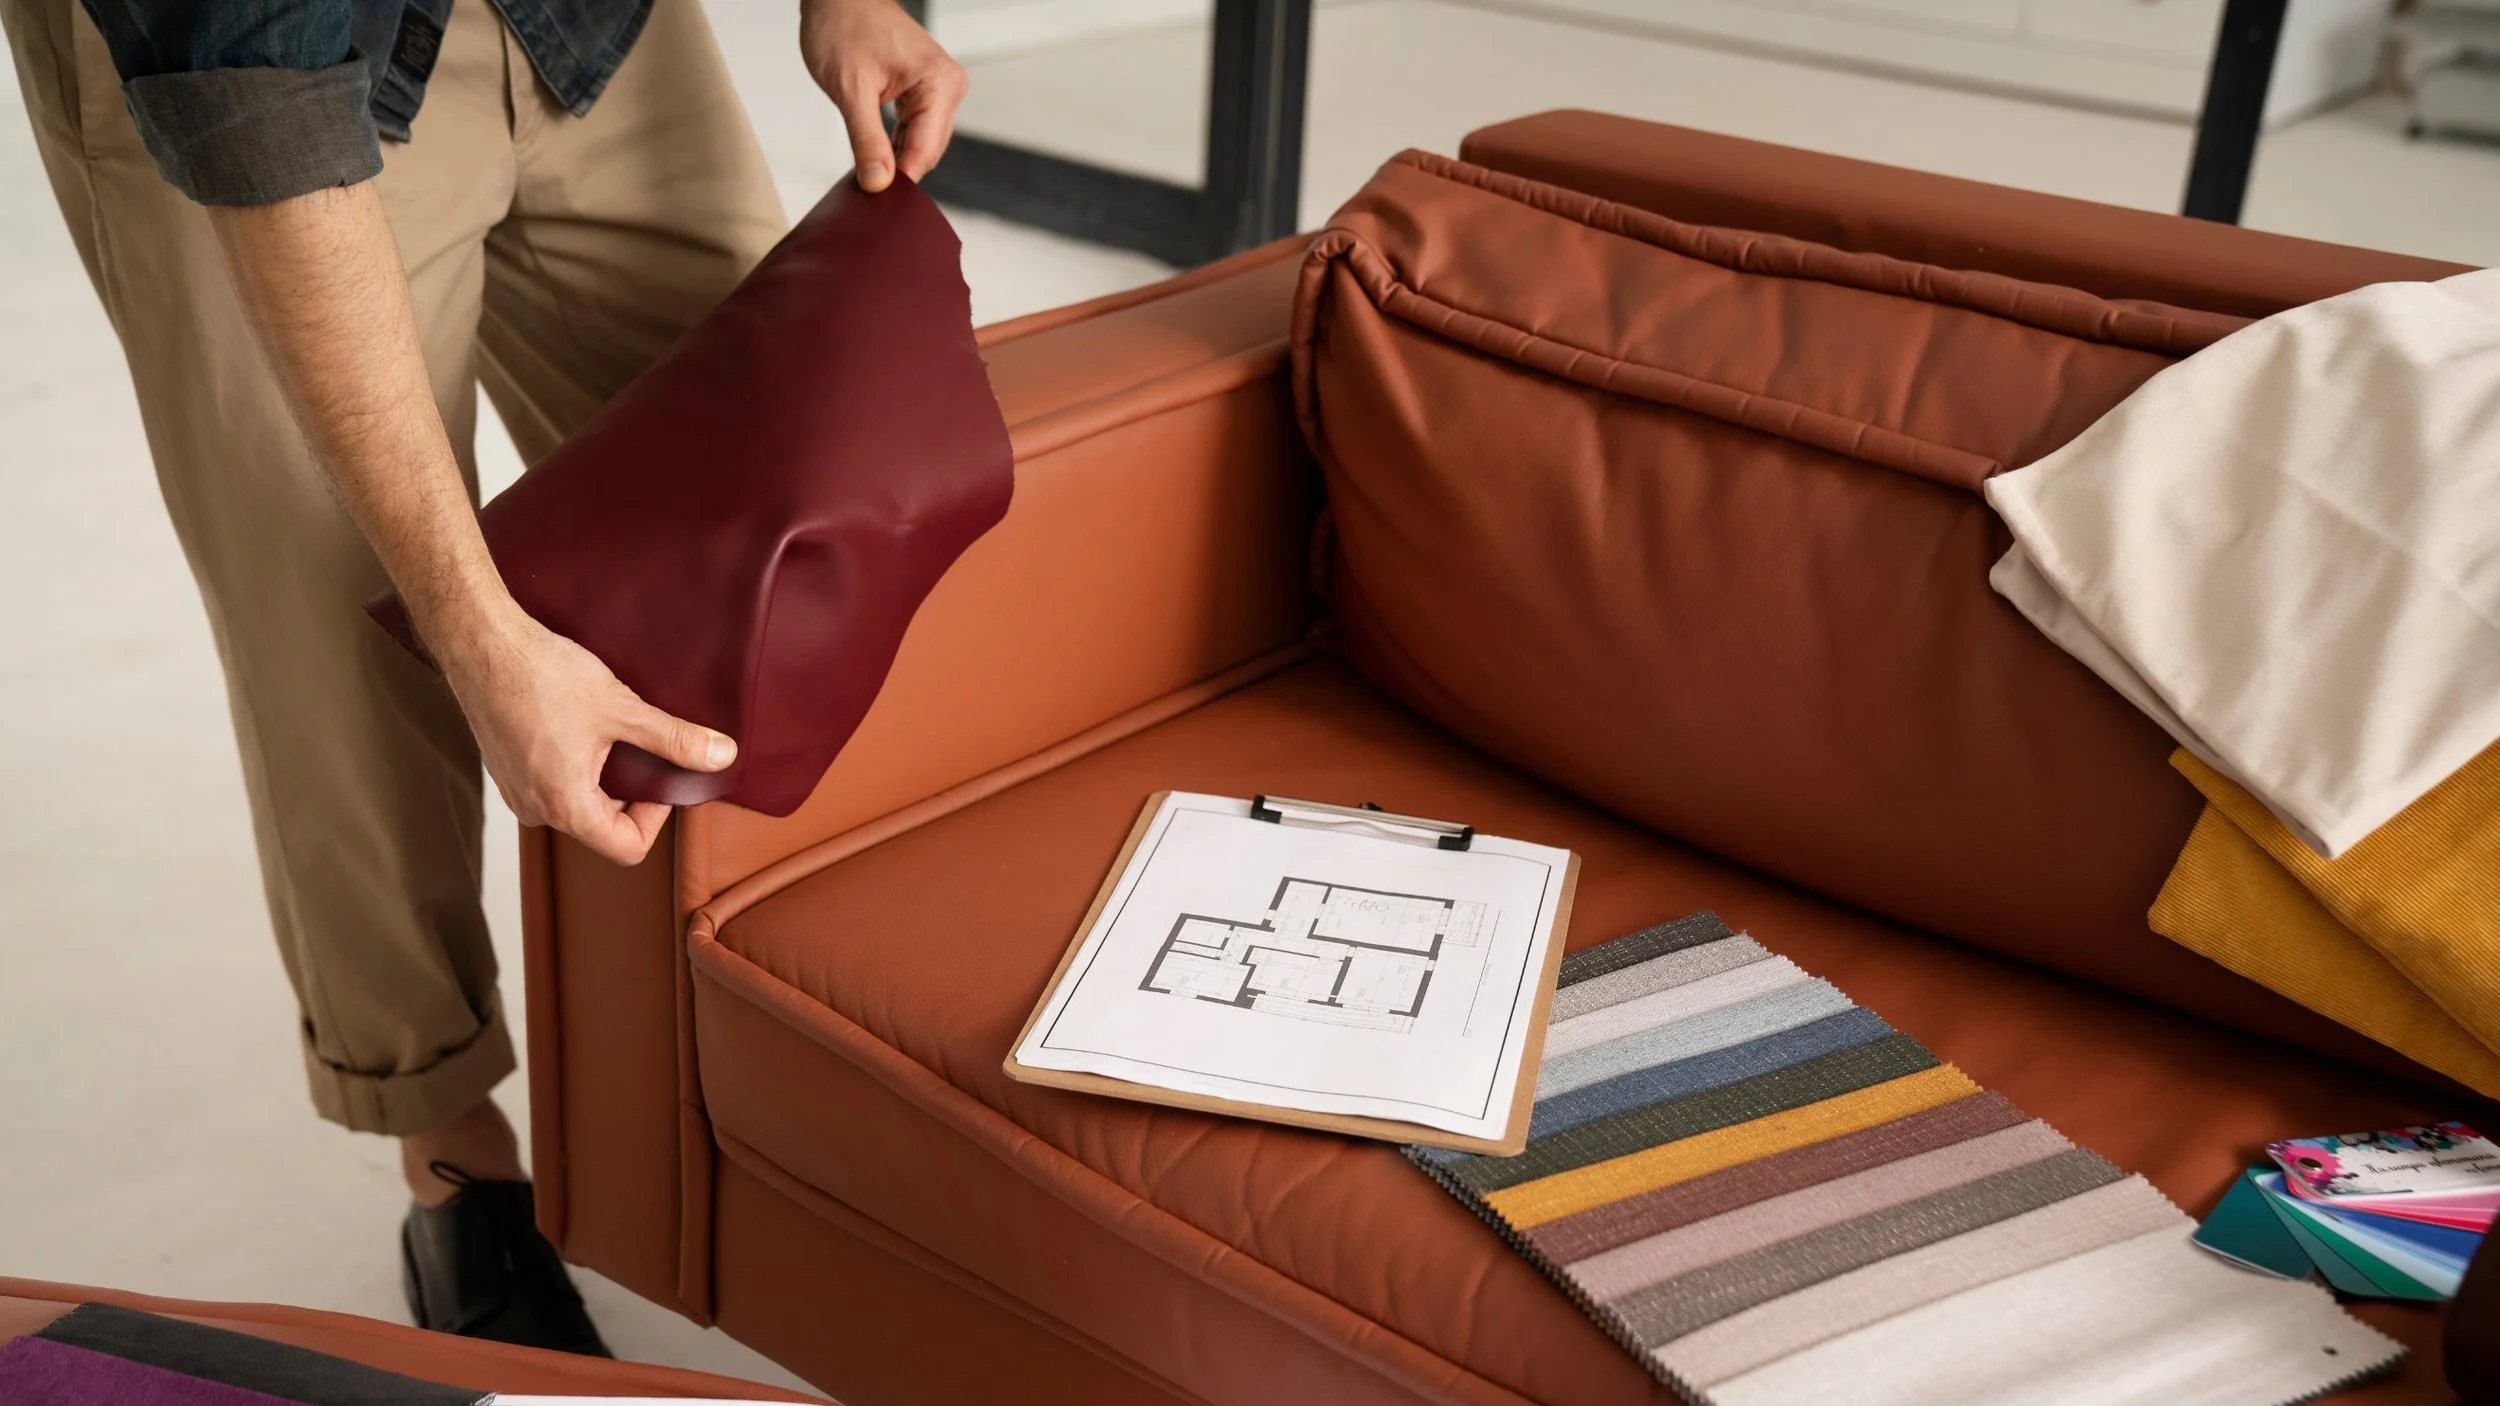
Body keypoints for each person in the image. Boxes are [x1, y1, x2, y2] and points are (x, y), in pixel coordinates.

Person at [1, 0, 965, 1355]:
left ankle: (762, 1053)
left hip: (590, 26)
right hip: (253, 76)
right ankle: (453, 1151)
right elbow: (260, 85)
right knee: (346, 632)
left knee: (793, 499)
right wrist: (478, 632)